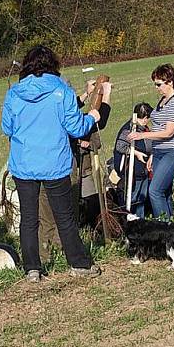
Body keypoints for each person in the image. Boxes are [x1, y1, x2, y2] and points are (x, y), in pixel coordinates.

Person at [1, 44, 103, 282]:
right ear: (53, 65)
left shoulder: (14, 93)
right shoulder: (62, 91)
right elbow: (76, 128)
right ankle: (79, 264)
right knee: (64, 217)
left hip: (23, 164)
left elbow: (7, 127)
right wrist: (92, 118)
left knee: (29, 219)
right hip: (54, 163)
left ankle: (32, 269)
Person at [37, 78, 112, 262]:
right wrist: (107, 95)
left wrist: (86, 94)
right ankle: (62, 250)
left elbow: (69, 107)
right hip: (63, 167)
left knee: (45, 215)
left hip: (41, 166)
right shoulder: (67, 116)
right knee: (65, 213)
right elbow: (96, 122)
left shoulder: (44, 110)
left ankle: (44, 256)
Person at [128, 64, 174, 219]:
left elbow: (169, 132)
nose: (157, 88)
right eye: (155, 84)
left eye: (159, 84)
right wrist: (154, 153)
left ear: (170, 82)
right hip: (160, 151)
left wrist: (142, 136)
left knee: (155, 190)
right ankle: (170, 226)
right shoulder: (162, 101)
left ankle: (164, 227)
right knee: (165, 190)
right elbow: (158, 126)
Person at [113, 102, 153, 218]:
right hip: (133, 173)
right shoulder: (129, 129)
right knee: (133, 199)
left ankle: (140, 221)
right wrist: (136, 153)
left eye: (147, 117)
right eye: (145, 117)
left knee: (142, 198)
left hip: (143, 170)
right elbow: (120, 146)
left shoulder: (145, 129)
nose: (146, 120)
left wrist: (151, 155)